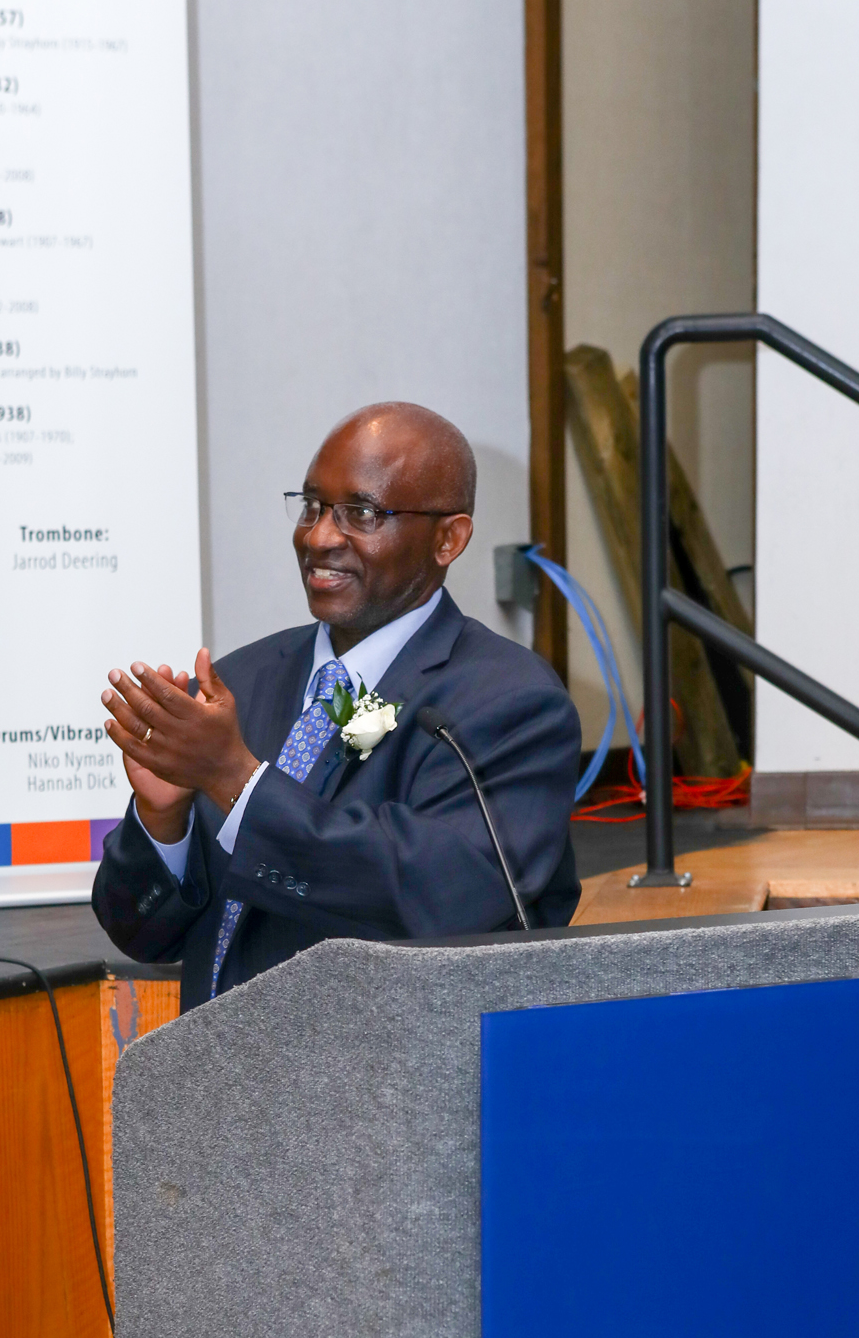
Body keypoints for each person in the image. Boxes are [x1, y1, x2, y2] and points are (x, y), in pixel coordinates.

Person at [92, 401, 582, 1008]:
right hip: (217, 1080)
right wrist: (162, 822)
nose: (320, 536)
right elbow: (139, 932)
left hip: (391, 1087)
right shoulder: (239, 683)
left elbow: (441, 894)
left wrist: (235, 780)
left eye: (362, 513)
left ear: (448, 539)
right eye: (312, 506)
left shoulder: (507, 702)